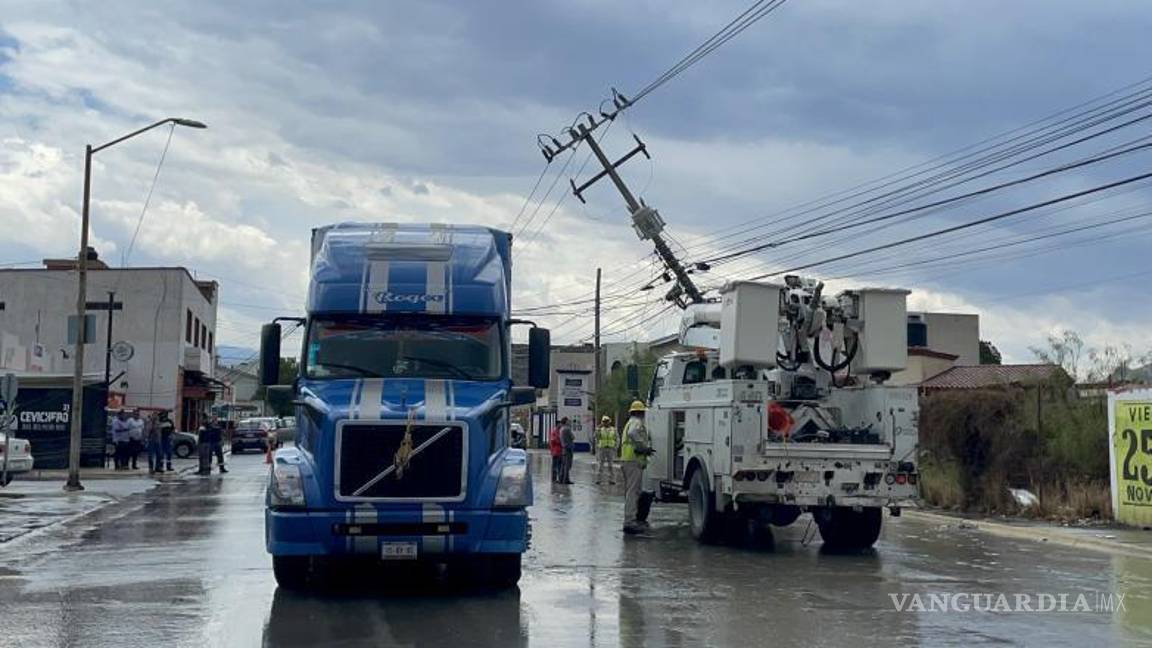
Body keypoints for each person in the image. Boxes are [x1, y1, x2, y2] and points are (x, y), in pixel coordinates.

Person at [620, 400, 655, 535]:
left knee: (633, 491)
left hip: (629, 460)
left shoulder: (630, 421)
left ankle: (633, 519)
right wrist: (643, 447)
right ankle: (629, 522)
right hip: (633, 460)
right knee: (632, 492)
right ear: (640, 412)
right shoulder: (636, 422)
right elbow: (633, 433)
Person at [595, 415, 618, 485]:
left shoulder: (613, 429)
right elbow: (596, 437)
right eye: (604, 421)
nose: (605, 423)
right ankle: (598, 480)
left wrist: (616, 447)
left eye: (607, 421)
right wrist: (598, 429)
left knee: (611, 465)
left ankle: (612, 480)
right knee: (600, 465)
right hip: (602, 448)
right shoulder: (600, 429)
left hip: (611, 448)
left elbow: (617, 438)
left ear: (609, 422)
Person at [559, 417, 575, 485]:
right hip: (568, 448)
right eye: (568, 421)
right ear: (565, 421)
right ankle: (566, 479)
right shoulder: (567, 429)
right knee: (567, 465)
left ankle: (561, 478)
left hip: (564, 448)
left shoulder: (561, 429)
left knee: (563, 465)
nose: (569, 422)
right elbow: (573, 437)